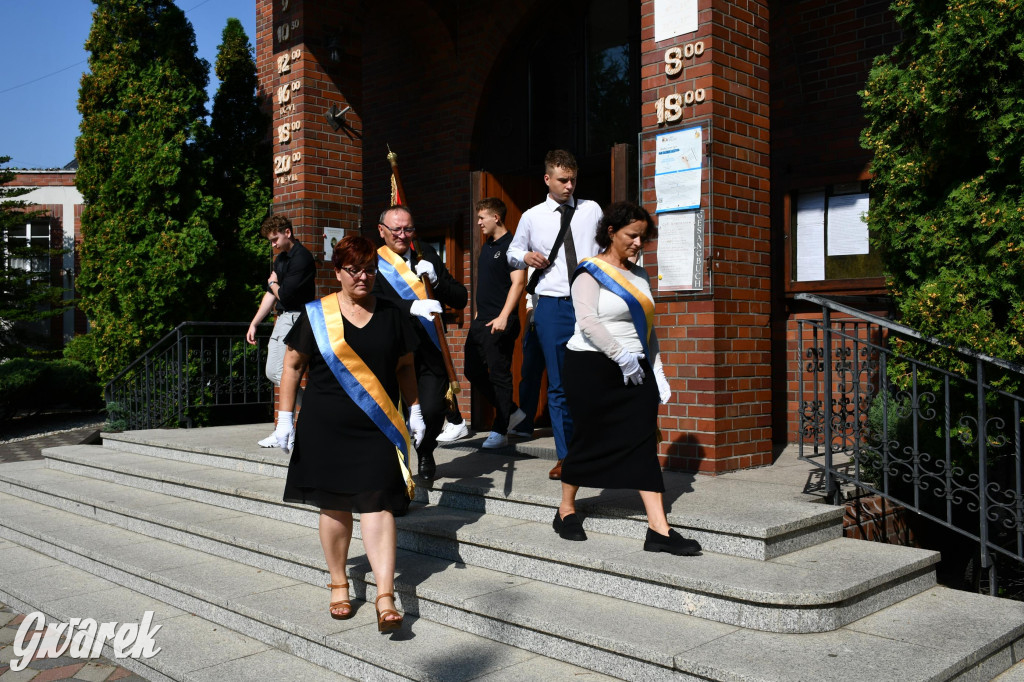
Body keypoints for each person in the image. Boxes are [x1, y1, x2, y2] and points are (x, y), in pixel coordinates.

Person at [274, 235, 425, 633]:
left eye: (369, 270)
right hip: (326, 426)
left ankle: (385, 596)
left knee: (379, 506)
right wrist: (285, 418)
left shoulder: (394, 314)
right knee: (335, 506)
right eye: (354, 270)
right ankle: (339, 583)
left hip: (375, 427)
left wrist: (415, 409)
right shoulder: (317, 314)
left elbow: (406, 368)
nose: (363, 277)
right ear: (338, 272)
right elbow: (292, 366)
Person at [553, 202, 701, 556]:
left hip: (636, 368)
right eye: (631, 236)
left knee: (642, 440)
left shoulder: (641, 276)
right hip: (592, 367)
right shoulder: (590, 271)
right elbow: (587, 321)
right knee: (589, 437)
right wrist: (621, 358)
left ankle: (659, 530)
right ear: (611, 232)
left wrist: (657, 370)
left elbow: (647, 329)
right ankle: (566, 509)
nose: (638, 243)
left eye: (642, 237)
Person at [507, 150, 602, 479]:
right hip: (552, 304)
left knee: (593, 378)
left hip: (589, 301)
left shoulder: (591, 210)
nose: (569, 185)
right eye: (563, 180)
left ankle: (594, 448)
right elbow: (512, 252)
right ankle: (567, 456)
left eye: (573, 179)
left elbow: (606, 250)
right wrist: (526, 257)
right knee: (559, 384)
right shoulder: (532, 216)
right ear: (547, 179)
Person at [373, 205, 468, 480]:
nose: (403, 235)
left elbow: (460, 297)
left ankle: (426, 450)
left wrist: (437, 283)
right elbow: (373, 300)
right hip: (393, 349)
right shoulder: (373, 260)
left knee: (432, 409)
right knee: (394, 413)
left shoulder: (425, 253)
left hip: (429, 349)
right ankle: (395, 468)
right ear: (382, 231)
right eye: (397, 230)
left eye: (409, 229)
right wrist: (410, 306)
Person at [246, 214, 316, 449]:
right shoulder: (281, 260)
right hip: (284, 318)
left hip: (297, 318)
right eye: (270, 241)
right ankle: (296, 423)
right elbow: (272, 294)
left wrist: (274, 284)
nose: (273, 244)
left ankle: (292, 426)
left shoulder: (302, 258)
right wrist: (254, 323)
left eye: (275, 239)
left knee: (281, 372)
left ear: (288, 232)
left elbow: (283, 295)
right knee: (275, 372)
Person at [465, 198, 527, 449]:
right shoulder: (488, 246)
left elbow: (519, 282)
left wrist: (503, 316)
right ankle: (511, 412)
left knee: (499, 375)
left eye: (482, 217)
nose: (479, 222)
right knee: (472, 370)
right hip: (482, 320)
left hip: (501, 321)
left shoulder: (513, 245)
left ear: (496, 218)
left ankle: (500, 429)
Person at [509, 272, 544, 439]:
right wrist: (527, 329)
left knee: (560, 378)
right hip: (534, 327)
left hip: (561, 322)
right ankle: (524, 423)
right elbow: (530, 301)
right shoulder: (534, 263)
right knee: (529, 376)